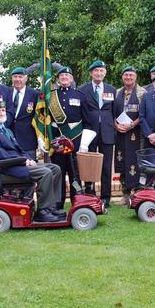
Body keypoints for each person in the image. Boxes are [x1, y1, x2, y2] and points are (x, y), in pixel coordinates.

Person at [0, 100, 65, 223]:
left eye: (3, 110)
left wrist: (29, 159)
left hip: (17, 165)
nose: (1, 113)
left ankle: (52, 207)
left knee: (55, 169)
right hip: (5, 169)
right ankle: (42, 211)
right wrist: (22, 161)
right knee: (45, 172)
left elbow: (19, 149)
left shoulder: (6, 130)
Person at [48, 66, 88, 209]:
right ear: (58, 79)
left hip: (75, 140)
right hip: (58, 141)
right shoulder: (51, 96)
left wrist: (84, 142)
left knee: (74, 173)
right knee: (58, 172)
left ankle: (76, 199)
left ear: (71, 79)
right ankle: (58, 203)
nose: (64, 78)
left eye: (67, 76)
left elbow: (86, 119)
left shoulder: (80, 95)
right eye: (61, 76)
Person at [78, 60, 116, 208]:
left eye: (101, 71)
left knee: (106, 166)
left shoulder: (111, 89)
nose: (99, 73)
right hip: (89, 132)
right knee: (89, 164)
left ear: (105, 73)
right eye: (96, 71)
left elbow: (115, 111)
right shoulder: (83, 90)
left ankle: (106, 197)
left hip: (107, 132)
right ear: (91, 73)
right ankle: (90, 193)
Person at [113, 66, 145, 206]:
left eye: (131, 75)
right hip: (120, 133)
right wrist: (116, 125)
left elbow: (143, 114)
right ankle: (125, 194)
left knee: (135, 162)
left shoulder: (142, 93)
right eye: (126, 75)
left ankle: (136, 193)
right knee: (122, 161)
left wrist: (132, 125)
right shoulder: (117, 92)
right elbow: (112, 113)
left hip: (136, 134)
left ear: (136, 77)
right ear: (122, 77)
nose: (128, 78)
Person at [8, 66, 39, 159]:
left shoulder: (35, 94)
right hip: (9, 140)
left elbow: (39, 117)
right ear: (12, 78)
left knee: (30, 171)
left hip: (28, 141)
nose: (17, 79)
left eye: (20, 77)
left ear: (26, 78)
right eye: (15, 77)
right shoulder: (6, 92)